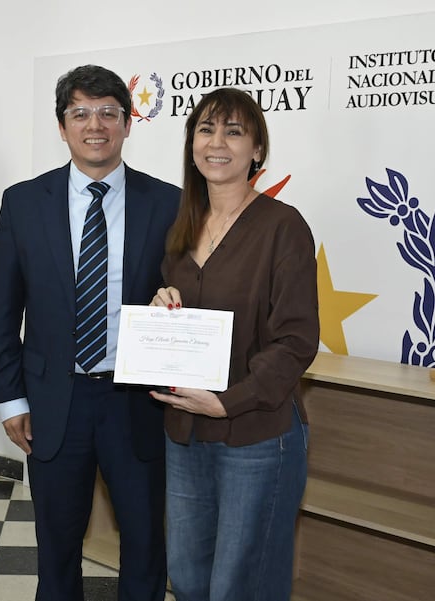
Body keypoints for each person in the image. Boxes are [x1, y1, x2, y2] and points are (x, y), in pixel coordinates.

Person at [0, 64, 180, 601]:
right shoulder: (23, 203)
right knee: (57, 544)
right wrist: (10, 400)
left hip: (136, 400)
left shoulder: (168, 202)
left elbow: (187, 294)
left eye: (108, 114)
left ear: (127, 122)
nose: (95, 126)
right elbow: (2, 311)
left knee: (144, 543)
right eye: (81, 114)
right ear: (62, 125)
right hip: (53, 402)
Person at [149, 88, 319, 601]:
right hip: (185, 432)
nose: (216, 142)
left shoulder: (282, 227)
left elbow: (296, 340)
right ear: (191, 144)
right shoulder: (180, 228)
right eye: (205, 129)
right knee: (188, 575)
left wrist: (228, 401)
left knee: (240, 585)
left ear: (257, 151)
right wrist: (162, 306)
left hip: (255, 436)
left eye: (233, 131)